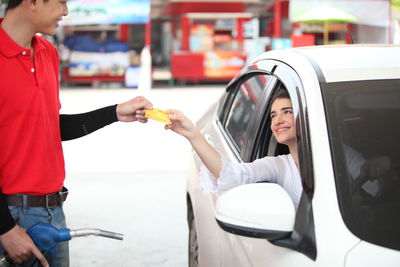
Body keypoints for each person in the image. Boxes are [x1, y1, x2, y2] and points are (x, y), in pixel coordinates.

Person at [0, 1, 153, 267]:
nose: (66, 12)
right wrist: (5, 229)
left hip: (53, 209)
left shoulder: (48, 52)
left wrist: (115, 112)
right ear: (32, 2)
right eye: (61, 2)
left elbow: (47, 126)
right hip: (11, 216)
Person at [166, 89, 304, 210]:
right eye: (273, 115)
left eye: (287, 112)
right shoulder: (279, 166)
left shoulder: (325, 158)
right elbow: (229, 174)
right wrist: (192, 133)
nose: (277, 121)